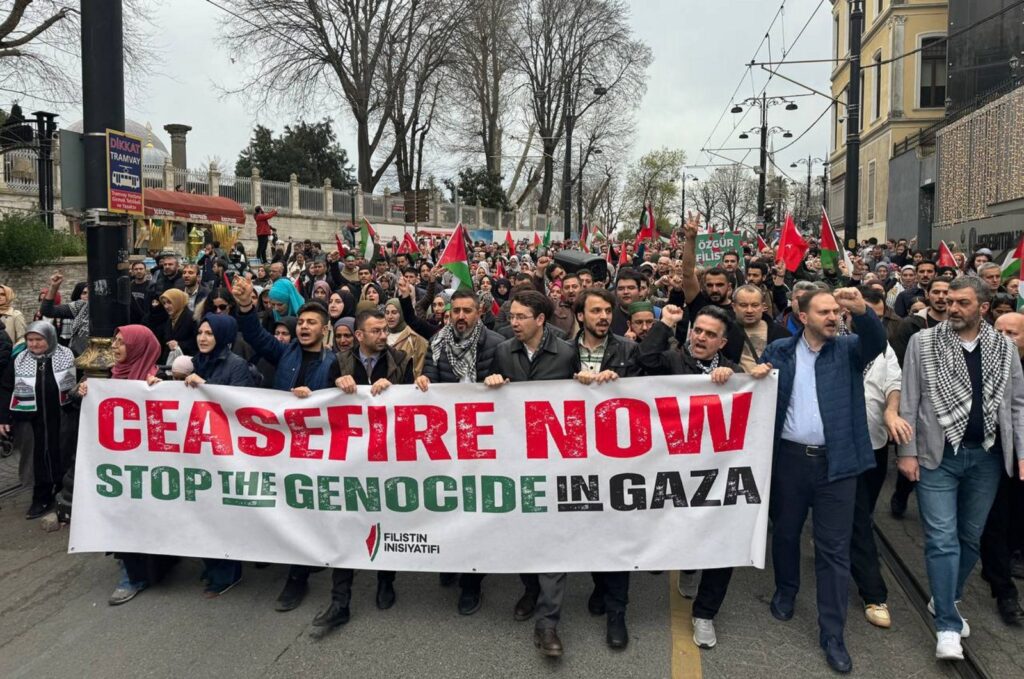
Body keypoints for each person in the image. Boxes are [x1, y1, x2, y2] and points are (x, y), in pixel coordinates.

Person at [760, 287, 886, 674]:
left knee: (834, 549)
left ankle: (833, 633)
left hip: (838, 465)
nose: (833, 317)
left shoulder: (849, 349)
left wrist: (862, 310)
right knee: (785, 532)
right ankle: (786, 589)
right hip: (790, 462)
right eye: (825, 311)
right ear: (802, 315)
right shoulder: (778, 352)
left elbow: (877, 341)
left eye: (836, 311)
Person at [898, 276, 1024, 660]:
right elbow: (909, 398)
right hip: (939, 456)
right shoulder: (923, 343)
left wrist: (1021, 450)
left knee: (970, 538)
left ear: (983, 308)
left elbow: (1017, 404)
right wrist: (907, 451)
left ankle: (946, 595)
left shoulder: (1004, 348)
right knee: (941, 538)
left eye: (962, 303)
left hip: (986, 457)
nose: (952, 308)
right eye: (949, 301)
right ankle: (948, 626)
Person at [641, 302, 772, 649]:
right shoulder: (671, 360)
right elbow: (644, 360)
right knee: (681, 527)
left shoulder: (731, 372)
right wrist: (664, 324)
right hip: (669, 468)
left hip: (715, 471)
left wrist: (752, 381)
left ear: (723, 342)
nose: (700, 337)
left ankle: (705, 614)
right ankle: (687, 563)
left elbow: (755, 405)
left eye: (709, 334)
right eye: (697, 330)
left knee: (720, 537)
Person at [233, 276, 337, 612]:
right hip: (281, 447)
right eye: (302, 322)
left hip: (317, 449)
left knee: (308, 509)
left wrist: (324, 394)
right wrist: (247, 304)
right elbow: (254, 335)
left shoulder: (335, 362)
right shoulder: (285, 352)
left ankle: (297, 578)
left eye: (312, 323)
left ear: (324, 329)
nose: (305, 327)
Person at [310, 309, 414, 634]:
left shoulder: (400, 360)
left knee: (385, 518)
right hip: (350, 460)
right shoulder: (337, 363)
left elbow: (412, 405)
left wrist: (394, 386)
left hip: (387, 458)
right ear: (359, 336)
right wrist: (336, 387)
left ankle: (386, 580)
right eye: (376, 331)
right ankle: (340, 602)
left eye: (385, 330)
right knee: (345, 523)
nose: (384, 336)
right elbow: (320, 404)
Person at [486, 289, 576, 658]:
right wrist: (491, 384)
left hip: (554, 462)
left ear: (541, 319)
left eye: (522, 316)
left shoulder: (567, 354)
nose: (514, 321)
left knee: (552, 539)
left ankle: (548, 622)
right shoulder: (503, 352)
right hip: (516, 462)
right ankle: (530, 589)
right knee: (521, 533)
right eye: (512, 316)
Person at [414, 289, 505, 616]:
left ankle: (472, 582)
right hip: (449, 442)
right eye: (456, 311)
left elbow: (508, 391)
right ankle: (451, 559)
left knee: (475, 513)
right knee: (449, 507)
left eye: (468, 310)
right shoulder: (437, 343)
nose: (462, 316)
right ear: (449, 313)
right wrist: (426, 383)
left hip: (484, 445)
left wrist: (498, 382)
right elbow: (434, 384)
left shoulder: (496, 345)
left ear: (479, 312)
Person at [78, 325, 174, 605]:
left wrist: (164, 390)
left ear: (138, 347)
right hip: (118, 466)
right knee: (122, 516)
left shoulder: (158, 379)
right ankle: (132, 572)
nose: (116, 347)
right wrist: (84, 391)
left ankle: (143, 572)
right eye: (115, 342)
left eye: (122, 343)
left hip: (149, 466)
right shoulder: (109, 376)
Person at [848, 290, 912, 630]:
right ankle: (874, 592)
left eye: (871, 313)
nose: (865, 318)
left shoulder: (885, 349)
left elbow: (894, 382)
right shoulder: (835, 344)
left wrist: (891, 411)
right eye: (858, 313)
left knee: (864, 510)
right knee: (858, 518)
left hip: (874, 443)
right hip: (841, 445)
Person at [183, 314, 258, 597]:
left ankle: (227, 573)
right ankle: (211, 564)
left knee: (222, 515)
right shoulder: (196, 361)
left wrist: (207, 388)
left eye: (210, 334)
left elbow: (242, 407)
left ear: (223, 336)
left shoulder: (236, 365)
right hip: (201, 450)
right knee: (203, 511)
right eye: (200, 332)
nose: (203, 338)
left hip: (226, 452)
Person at [0, 321, 78, 519]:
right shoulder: (19, 359)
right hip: (30, 418)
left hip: (61, 415)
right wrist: (3, 417)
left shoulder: (67, 356)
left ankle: (62, 489)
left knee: (61, 451)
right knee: (35, 456)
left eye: (39, 340)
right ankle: (41, 495)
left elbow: (80, 381)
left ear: (50, 338)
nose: (33, 345)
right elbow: (6, 387)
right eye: (30, 340)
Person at [982, 312, 1024, 626]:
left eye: (1014, 333)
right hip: (993, 456)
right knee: (995, 520)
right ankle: (1004, 591)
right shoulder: (981, 363)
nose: (1006, 338)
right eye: (1001, 331)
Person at [732, 285, 790, 373]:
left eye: (755, 305)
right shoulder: (725, 332)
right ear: (734, 307)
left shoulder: (782, 334)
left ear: (763, 307)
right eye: (743, 305)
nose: (749, 310)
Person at [39, 273, 90, 356]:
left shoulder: (115, 307)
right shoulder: (82, 305)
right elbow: (47, 310)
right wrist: (54, 287)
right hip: (78, 359)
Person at [384, 298, 428, 376]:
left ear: (402, 313)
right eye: (387, 313)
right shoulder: (382, 336)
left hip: (407, 386)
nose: (390, 316)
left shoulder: (414, 337)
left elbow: (419, 369)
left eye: (394, 312)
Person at [157, 288, 198, 363]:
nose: (166, 306)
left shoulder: (192, 318)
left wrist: (179, 344)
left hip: (188, 363)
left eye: (169, 302)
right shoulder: (170, 319)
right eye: (164, 303)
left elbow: (196, 342)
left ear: (177, 301)